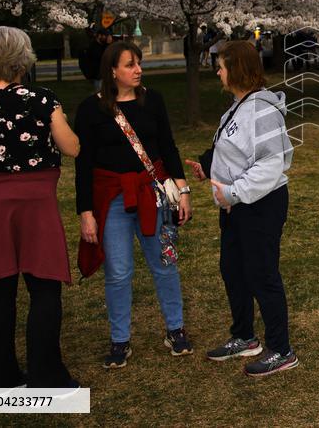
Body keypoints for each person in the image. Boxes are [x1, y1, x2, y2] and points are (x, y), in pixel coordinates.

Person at [0, 27, 80, 388]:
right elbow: (71, 147)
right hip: (34, 203)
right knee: (44, 288)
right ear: (24, 57)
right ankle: (47, 375)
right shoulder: (41, 99)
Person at [75, 41, 194, 369]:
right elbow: (83, 165)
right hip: (113, 200)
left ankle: (175, 329)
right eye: (130, 64)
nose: (138, 69)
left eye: (138, 63)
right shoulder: (90, 109)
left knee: (165, 263)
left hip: (151, 195)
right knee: (118, 272)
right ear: (112, 71)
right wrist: (86, 212)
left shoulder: (153, 100)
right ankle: (119, 340)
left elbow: (168, 145)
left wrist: (183, 190)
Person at [185, 41, 299, 377]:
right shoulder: (238, 106)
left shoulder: (262, 109)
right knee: (233, 270)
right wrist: (210, 166)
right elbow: (233, 149)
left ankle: (282, 350)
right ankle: (245, 337)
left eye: (220, 66)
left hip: (260, 204)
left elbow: (269, 164)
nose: (217, 71)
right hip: (237, 207)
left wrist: (233, 193)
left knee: (262, 275)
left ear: (236, 69)